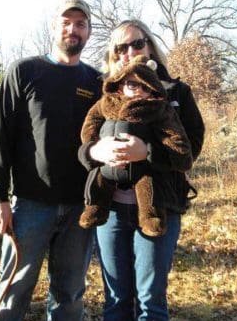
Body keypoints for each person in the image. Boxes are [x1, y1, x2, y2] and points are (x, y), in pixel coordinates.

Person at [78, 19, 205, 321]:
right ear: (113, 54)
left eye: (137, 43)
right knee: (117, 298)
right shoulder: (106, 94)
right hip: (111, 212)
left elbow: (190, 150)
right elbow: (84, 144)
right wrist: (95, 152)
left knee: (150, 299)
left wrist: (146, 153)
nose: (129, 52)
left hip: (159, 207)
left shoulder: (176, 92)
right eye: (120, 47)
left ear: (149, 46)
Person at [0, 0, 102, 321]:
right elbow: (1, 137)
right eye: (66, 22)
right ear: (54, 27)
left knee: (69, 295)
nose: (72, 29)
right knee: (13, 289)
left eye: (80, 24)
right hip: (30, 205)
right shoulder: (25, 72)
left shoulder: (96, 83)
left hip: (79, 209)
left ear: (89, 32)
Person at [78, 55, 193, 237]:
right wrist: (94, 147)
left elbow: (180, 149)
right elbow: (90, 123)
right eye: (133, 84)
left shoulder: (159, 109)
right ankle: (95, 209)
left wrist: (147, 152)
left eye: (145, 86)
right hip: (109, 174)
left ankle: (151, 217)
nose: (139, 90)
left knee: (147, 184)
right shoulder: (105, 104)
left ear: (154, 89)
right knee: (100, 179)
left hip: (145, 173)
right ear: (121, 85)